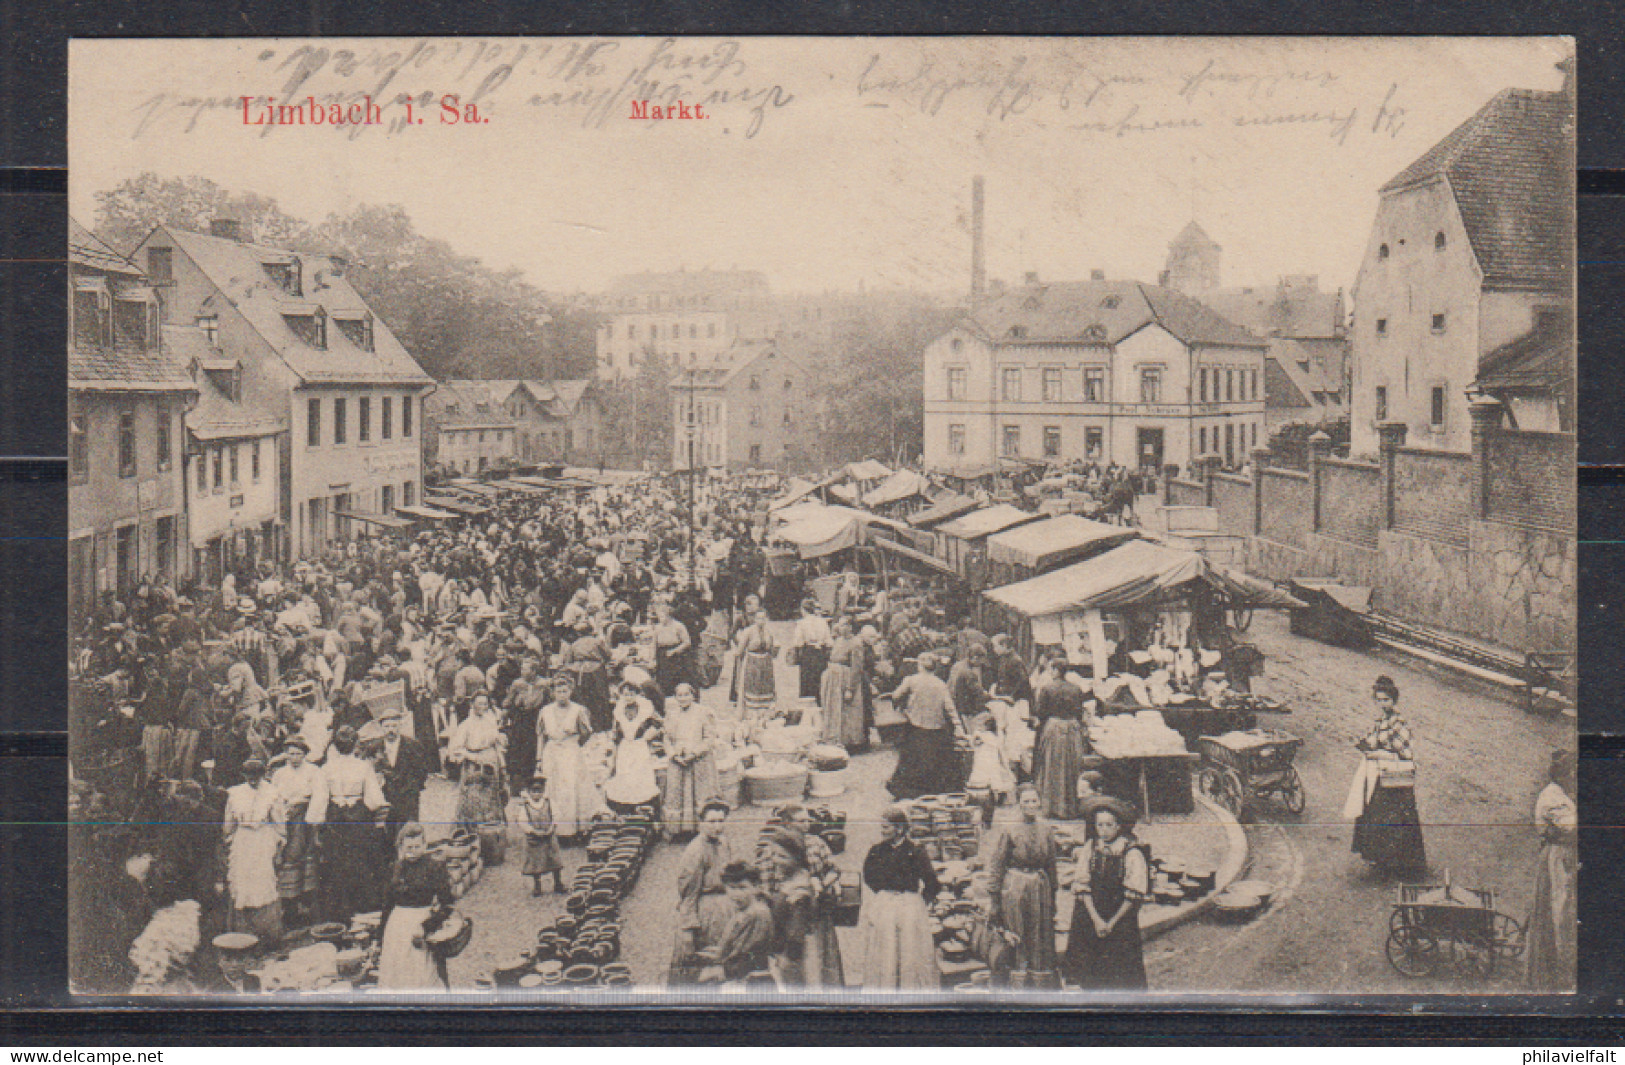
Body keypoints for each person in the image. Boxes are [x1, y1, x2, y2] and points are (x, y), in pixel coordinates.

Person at [1061, 795, 1149, 991]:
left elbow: (1132, 895)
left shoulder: (1131, 852)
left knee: (1118, 972)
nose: (1104, 830)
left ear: (1118, 826)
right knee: (1089, 969)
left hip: (1119, 916)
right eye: (1100, 825)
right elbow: (1082, 885)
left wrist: (1110, 923)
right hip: (1091, 913)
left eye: (1109, 825)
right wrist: (1096, 919)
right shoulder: (1090, 848)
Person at [1349, 675, 1427, 876]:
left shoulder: (1398, 722)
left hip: (1394, 780)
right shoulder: (1382, 720)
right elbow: (1375, 739)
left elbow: (1405, 754)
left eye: (1386, 700)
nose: (1383, 703)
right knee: (1377, 816)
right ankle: (1382, 860)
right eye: (1379, 700)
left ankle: (1400, 864)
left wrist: (1379, 753)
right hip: (1380, 777)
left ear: (1394, 700)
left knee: (1394, 820)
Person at [858, 805, 941, 990]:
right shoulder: (876, 851)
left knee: (910, 950)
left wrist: (918, 903)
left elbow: (932, 882)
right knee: (885, 948)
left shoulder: (916, 851)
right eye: (881, 827)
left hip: (909, 905)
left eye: (886, 827)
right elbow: (869, 876)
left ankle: (909, 991)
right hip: (885, 904)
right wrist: (885, 893)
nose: (882, 831)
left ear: (899, 829)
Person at [986, 785, 1060, 988]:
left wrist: (1053, 893)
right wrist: (994, 898)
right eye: (1026, 801)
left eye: (1034, 801)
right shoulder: (1009, 829)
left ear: (1039, 803)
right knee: (1016, 932)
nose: (1030, 805)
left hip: (1039, 884)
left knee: (1040, 934)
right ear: (1019, 804)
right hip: (1015, 885)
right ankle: (1016, 982)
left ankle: (1038, 982)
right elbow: (997, 863)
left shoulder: (1046, 829)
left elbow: (1051, 863)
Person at [319, 725, 389, 923]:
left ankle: (341, 909)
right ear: (354, 745)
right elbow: (374, 798)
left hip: (336, 816)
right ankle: (364, 905)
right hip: (358, 815)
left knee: (338, 861)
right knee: (361, 858)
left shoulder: (326, 768)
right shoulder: (363, 766)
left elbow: (321, 800)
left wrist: (319, 819)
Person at [771, 804, 846, 988]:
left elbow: (834, 869)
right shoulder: (776, 846)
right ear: (787, 823)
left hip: (817, 908)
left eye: (808, 820)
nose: (806, 825)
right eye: (801, 821)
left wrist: (824, 883)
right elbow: (767, 879)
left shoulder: (817, 842)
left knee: (820, 957)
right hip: (789, 907)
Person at [376, 823, 454, 991]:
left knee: (422, 972)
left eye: (417, 846)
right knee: (396, 973)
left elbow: (447, 905)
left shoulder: (434, 867)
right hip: (396, 928)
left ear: (425, 845)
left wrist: (426, 927)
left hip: (421, 925)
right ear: (401, 847)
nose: (412, 851)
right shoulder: (395, 868)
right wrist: (379, 936)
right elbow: (387, 905)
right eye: (408, 847)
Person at [667, 799, 735, 986]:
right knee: (703, 962)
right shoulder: (695, 851)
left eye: (721, 821)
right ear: (701, 822)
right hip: (706, 912)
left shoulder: (723, 842)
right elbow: (688, 895)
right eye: (711, 821)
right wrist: (688, 928)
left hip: (724, 907)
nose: (717, 826)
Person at [1526, 749, 1578, 990]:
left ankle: (1562, 969)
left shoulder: (1562, 793)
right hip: (1556, 859)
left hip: (1562, 856)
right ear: (1563, 774)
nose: (1575, 777)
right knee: (1558, 912)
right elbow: (1570, 827)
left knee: (1563, 912)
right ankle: (1556, 975)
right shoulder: (1552, 797)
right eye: (1572, 773)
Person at [220, 758, 285, 944]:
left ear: (263, 775)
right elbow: (228, 823)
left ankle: (266, 933)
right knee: (242, 881)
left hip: (263, 839)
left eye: (256, 777)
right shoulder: (235, 793)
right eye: (249, 777)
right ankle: (243, 931)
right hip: (242, 840)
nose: (253, 781)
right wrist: (228, 841)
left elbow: (279, 823)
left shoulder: (272, 793)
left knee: (263, 881)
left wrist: (279, 845)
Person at [886, 654, 963, 800]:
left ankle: (908, 791)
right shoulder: (941, 684)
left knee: (911, 759)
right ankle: (934, 791)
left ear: (919, 666)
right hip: (936, 728)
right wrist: (958, 726)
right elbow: (949, 707)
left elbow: (896, 696)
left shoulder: (911, 680)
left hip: (916, 726)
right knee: (936, 760)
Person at [269, 736, 327, 926]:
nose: (294, 758)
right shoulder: (279, 774)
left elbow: (319, 796)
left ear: (304, 754)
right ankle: (290, 904)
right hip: (285, 817)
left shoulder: (313, 771)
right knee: (286, 856)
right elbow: (274, 796)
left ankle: (307, 903)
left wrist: (311, 820)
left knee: (303, 855)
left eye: (298, 754)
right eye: (291, 753)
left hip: (304, 818)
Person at [446, 693, 509, 863]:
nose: (483, 707)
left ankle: (493, 837)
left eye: (485, 703)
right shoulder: (465, 725)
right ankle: (472, 838)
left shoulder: (490, 721)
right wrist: (472, 757)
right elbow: (455, 749)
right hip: (473, 765)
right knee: (473, 801)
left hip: (490, 762)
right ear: (472, 704)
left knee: (491, 799)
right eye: (479, 703)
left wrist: (501, 764)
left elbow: (496, 743)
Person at [696, 862, 775, 986]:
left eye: (742, 887)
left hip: (752, 980)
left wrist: (721, 971)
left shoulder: (756, 914)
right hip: (740, 974)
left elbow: (749, 956)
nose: (736, 894)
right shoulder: (743, 912)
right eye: (732, 888)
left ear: (756, 887)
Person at [1033, 651, 1091, 821]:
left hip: (1055, 728)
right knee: (1071, 769)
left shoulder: (1047, 688)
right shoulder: (1076, 689)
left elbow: (1040, 712)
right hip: (1072, 729)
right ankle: (1069, 808)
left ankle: (1052, 808)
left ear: (1057, 670)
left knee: (1052, 767)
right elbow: (1080, 713)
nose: (1050, 672)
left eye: (1052, 669)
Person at [537, 676, 595, 844]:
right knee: (552, 790)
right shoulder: (546, 711)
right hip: (551, 754)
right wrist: (539, 759)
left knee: (571, 790)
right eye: (558, 691)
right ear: (553, 693)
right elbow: (541, 736)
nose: (562, 695)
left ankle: (573, 831)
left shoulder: (578, 710)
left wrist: (574, 744)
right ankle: (553, 829)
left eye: (565, 691)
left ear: (570, 691)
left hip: (570, 753)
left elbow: (587, 733)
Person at [662, 683, 720, 838]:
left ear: (693, 696)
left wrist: (694, 753)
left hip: (699, 760)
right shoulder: (672, 714)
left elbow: (709, 738)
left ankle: (702, 830)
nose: (683, 699)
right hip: (678, 760)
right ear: (675, 698)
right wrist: (674, 754)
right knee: (678, 794)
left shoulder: (703, 712)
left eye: (686, 695)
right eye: (679, 695)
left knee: (699, 794)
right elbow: (666, 738)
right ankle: (679, 830)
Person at [604, 680, 662, 813]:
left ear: (636, 694)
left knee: (640, 774)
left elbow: (658, 722)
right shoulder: (619, 710)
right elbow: (615, 730)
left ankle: (643, 805)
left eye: (631, 694)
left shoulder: (645, 708)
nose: (628, 697)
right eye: (625, 694)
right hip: (625, 747)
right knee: (625, 775)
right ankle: (627, 807)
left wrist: (648, 735)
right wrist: (613, 744)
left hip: (639, 745)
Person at [370, 706, 431, 832]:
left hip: (408, 796)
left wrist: (412, 789)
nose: (391, 730)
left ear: (400, 726)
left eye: (394, 726)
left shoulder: (413, 745)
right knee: (387, 832)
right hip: (385, 798)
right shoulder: (374, 747)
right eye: (387, 726)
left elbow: (422, 772)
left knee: (410, 831)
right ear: (381, 727)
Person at [819, 617, 866, 750]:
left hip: (845, 678)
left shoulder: (856, 643)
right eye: (839, 625)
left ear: (850, 627)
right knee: (833, 707)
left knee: (846, 710)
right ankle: (832, 737)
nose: (840, 628)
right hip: (833, 678)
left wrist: (850, 688)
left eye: (844, 625)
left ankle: (848, 741)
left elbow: (857, 667)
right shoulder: (838, 640)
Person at [516, 773, 564, 897]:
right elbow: (522, 822)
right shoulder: (525, 807)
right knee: (535, 863)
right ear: (528, 792)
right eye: (533, 791)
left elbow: (557, 815)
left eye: (539, 791)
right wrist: (533, 831)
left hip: (548, 836)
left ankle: (558, 883)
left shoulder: (549, 803)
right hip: (535, 839)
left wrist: (552, 827)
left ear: (543, 791)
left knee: (554, 860)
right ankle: (537, 886)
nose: (536, 794)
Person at [733, 608, 779, 725]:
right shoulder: (748, 631)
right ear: (754, 619)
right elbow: (739, 650)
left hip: (766, 664)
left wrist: (776, 648)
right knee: (752, 688)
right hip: (752, 663)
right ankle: (751, 715)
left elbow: (773, 652)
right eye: (758, 618)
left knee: (766, 688)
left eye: (763, 618)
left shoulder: (769, 632)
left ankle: (765, 715)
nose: (761, 621)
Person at [788, 598, 832, 702]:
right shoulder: (823, 622)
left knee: (807, 682)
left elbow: (798, 642)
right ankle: (820, 705)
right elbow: (829, 641)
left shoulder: (802, 623)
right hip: (821, 653)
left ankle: (807, 708)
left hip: (808, 653)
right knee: (819, 681)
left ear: (803, 610)